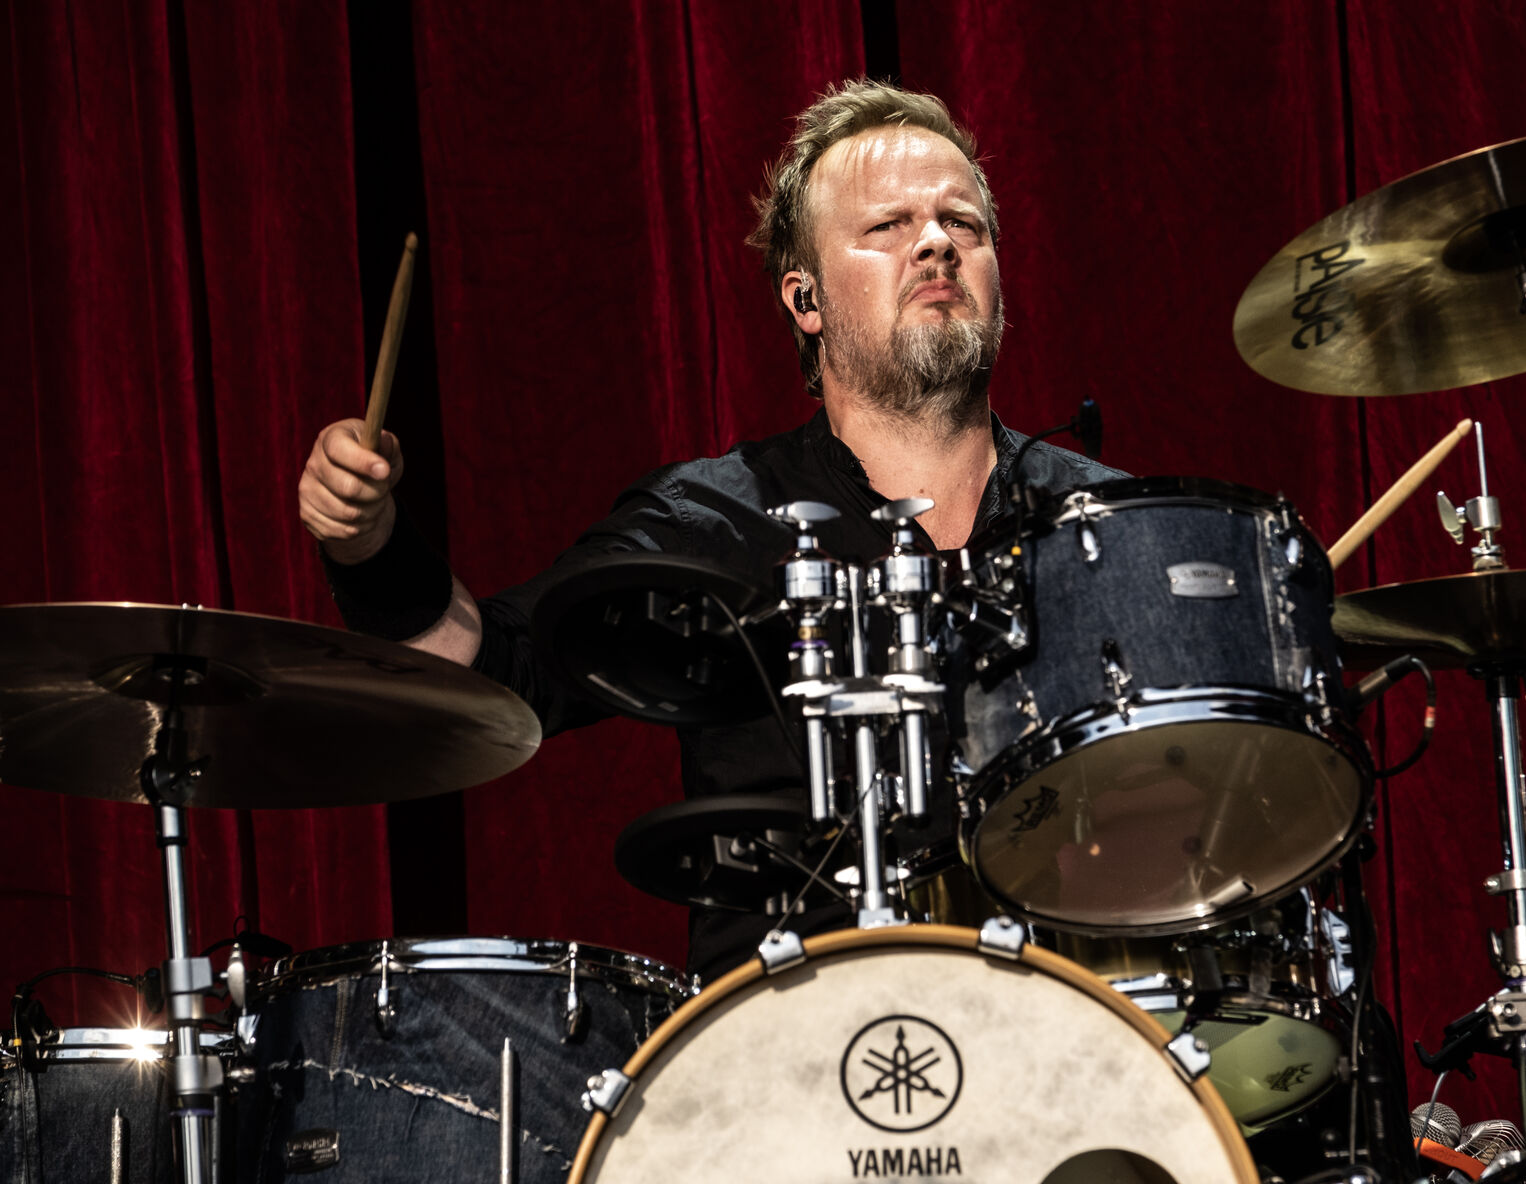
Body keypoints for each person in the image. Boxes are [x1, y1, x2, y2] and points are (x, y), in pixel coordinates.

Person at [297, 80, 1123, 980]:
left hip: (1080, 1024)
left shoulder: (1107, 524)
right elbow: (491, 667)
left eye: (962, 223)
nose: (934, 242)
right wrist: (368, 542)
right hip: (790, 1058)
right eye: (887, 227)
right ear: (805, 300)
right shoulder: (713, 517)